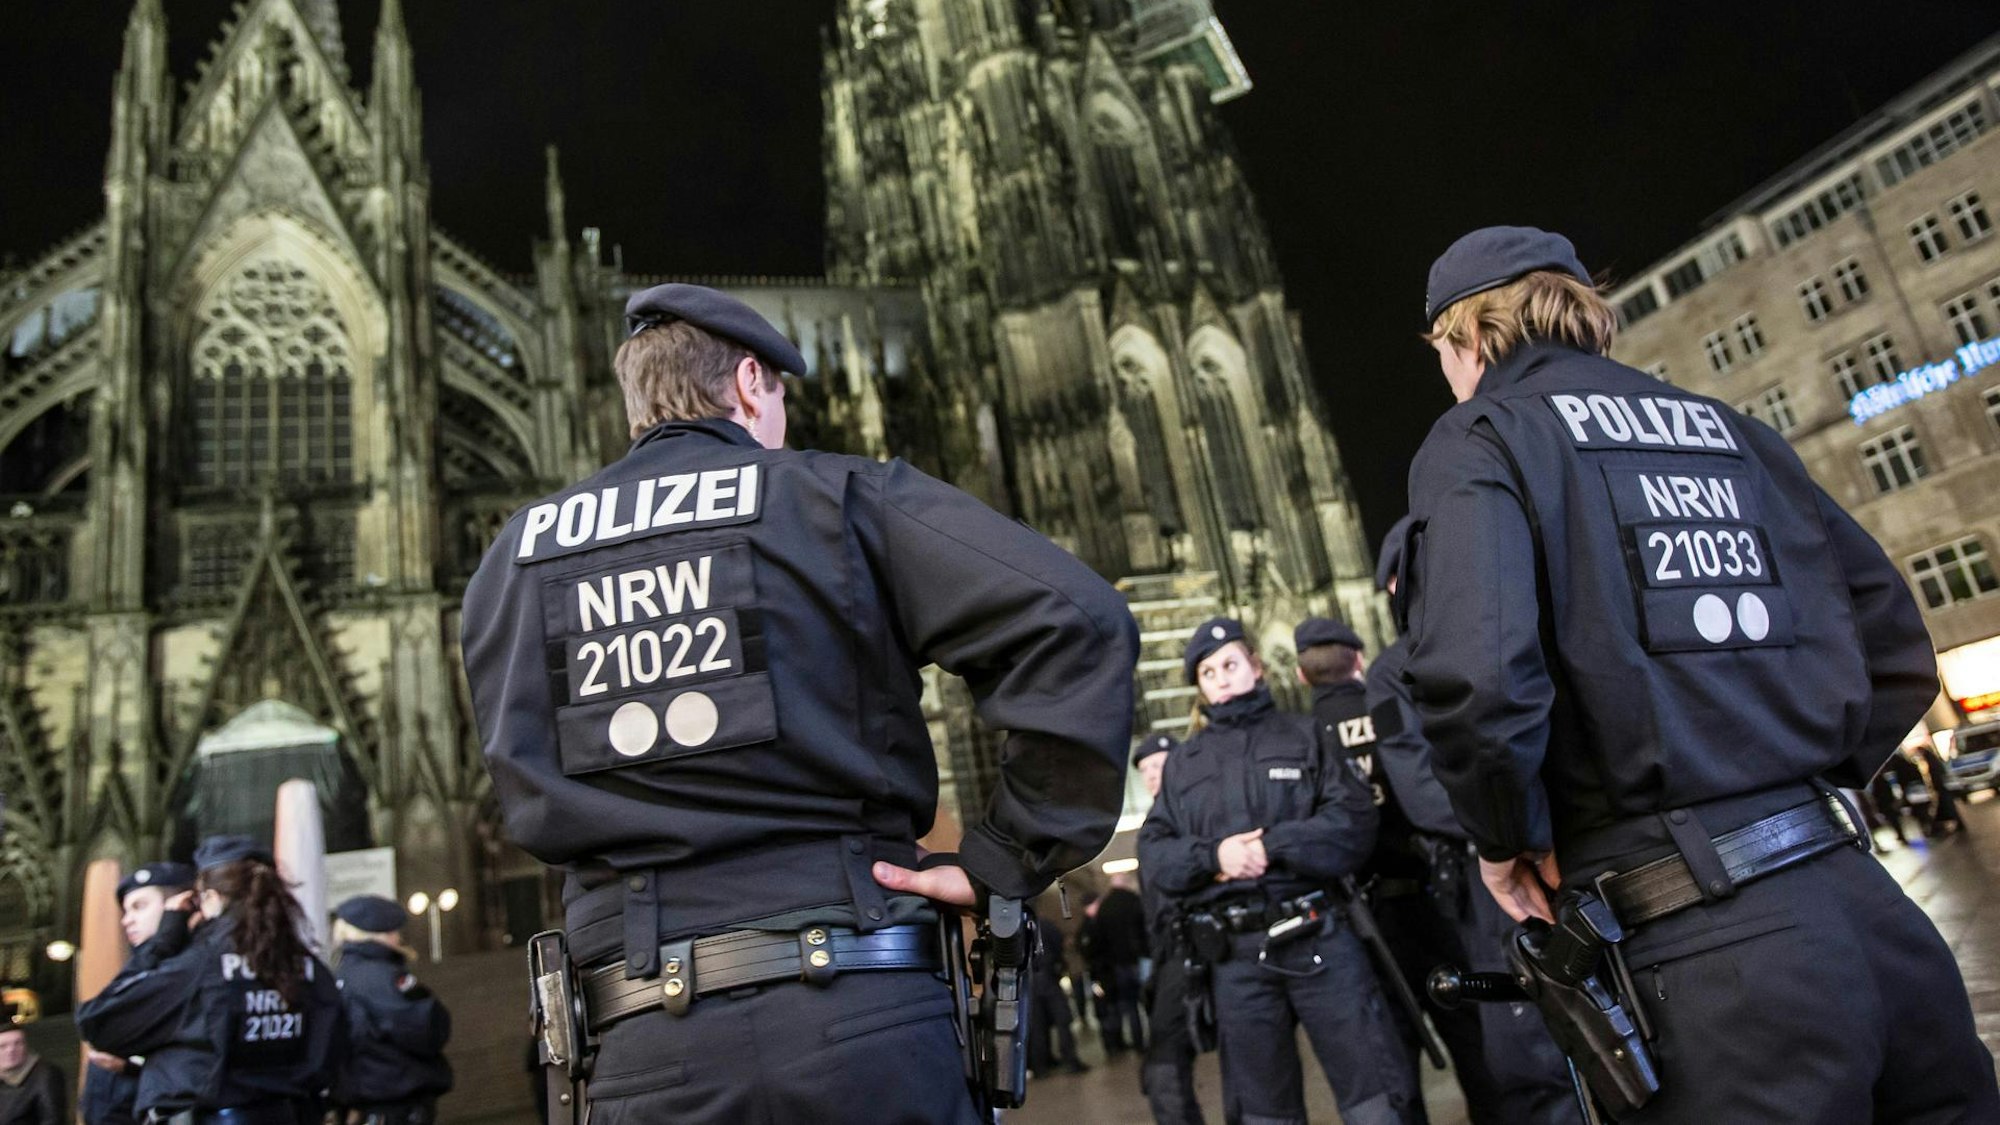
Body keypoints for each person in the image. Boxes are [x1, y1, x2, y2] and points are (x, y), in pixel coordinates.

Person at [461, 283, 1137, 1122]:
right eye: (779, 394)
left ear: (638, 403)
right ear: (750, 382)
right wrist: (1008, 855)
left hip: (639, 1038)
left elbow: (514, 775)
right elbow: (1080, 620)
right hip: (860, 1012)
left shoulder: (512, 564)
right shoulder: (836, 498)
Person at [1401, 224, 2000, 1121]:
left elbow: (1481, 679)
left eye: (1442, 354)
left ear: (1470, 336)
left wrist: (1506, 838)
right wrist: (1788, 797)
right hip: (1870, 910)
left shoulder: (1484, 436)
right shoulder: (1731, 429)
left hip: (1707, 951)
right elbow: (1895, 642)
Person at [1139, 617, 1418, 1125]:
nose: (1221, 677)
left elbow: (1353, 822)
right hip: (1236, 959)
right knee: (1264, 1113)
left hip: (1321, 938)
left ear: (1257, 667)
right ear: (1199, 687)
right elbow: (1155, 855)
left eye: (1230, 664)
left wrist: (1273, 844)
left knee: (1375, 1097)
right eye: (1208, 672)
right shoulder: (1183, 765)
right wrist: (1215, 856)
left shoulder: (1306, 735)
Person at [1364, 531, 1578, 1125]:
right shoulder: (1390, 675)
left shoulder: (1506, 631)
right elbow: (1419, 789)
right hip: (1486, 871)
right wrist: (1519, 829)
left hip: (1564, 851)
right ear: (1393, 588)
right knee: (1525, 1043)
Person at [1295, 614, 1502, 1125]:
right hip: (1426, 897)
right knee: (1472, 1038)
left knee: (1389, 1060)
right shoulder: (1386, 709)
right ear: (1359, 661)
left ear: (1301, 676)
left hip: (1354, 924)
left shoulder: (1300, 739)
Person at [77, 836, 344, 1124]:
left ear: (211, 898)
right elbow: (331, 1055)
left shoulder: (199, 967)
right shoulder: (309, 968)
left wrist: (162, 942)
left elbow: (99, 1020)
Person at [79, 861, 197, 1125]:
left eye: (139, 906)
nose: (126, 920)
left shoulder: (191, 968)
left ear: (179, 904)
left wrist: (131, 1068)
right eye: (125, 910)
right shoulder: (145, 963)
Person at [1132, 734, 1206, 1125]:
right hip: (1172, 955)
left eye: (1159, 766)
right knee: (1163, 1067)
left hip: (1205, 946)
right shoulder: (1151, 828)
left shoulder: (1201, 811)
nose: (1152, 777)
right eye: (1145, 770)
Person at [331, 895, 452, 1124]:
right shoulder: (384, 978)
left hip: (361, 1104)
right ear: (382, 935)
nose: (399, 938)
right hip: (395, 1103)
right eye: (394, 931)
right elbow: (429, 1027)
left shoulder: (341, 975)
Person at [1027, 921, 1089, 1077]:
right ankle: (1070, 1060)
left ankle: (1041, 1065)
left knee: (1037, 1025)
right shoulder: (1044, 925)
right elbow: (1059, 944)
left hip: (1029, 981)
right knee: (1063, 1020)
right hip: (1049, 977)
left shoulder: (1015, 926)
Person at [0, 1018, 65, 1125]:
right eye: (3, 1046)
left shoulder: (45, 1075)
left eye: (18, 1043)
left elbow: (52, 1118)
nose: (11, 1050)